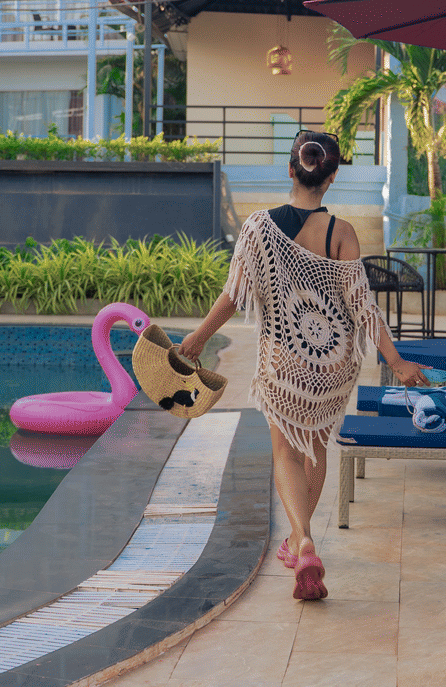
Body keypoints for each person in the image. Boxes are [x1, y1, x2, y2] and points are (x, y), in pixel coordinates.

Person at [178, 130, 431, 601]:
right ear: (331, 177)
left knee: (285, 454)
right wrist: (395, 362)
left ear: (290, 170)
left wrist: (198, 337)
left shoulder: (257, 228)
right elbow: (363, 309)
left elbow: (235, 295)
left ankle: (303, 541)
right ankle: (299, 543)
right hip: (332, 365)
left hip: (285, 362)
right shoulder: (343, 233)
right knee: (315, 451)